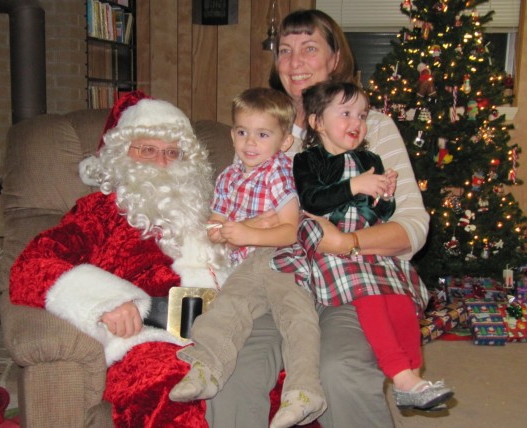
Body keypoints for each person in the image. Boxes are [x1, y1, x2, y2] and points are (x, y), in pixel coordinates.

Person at [204, 9, 433, 428]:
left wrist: (346, 242)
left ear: (334, 59)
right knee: (232, 371)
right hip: (278, 281)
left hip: (350, 280)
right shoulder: (259, 130)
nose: (294, 63)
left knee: (340, 371)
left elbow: (414, 227)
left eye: (310, 49)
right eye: (284, 51)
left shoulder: (369, 128)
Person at [8, 91, 233, 426]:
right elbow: (31, 266)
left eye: (173, 152)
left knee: (279, 384)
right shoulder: (99, 212)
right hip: (149, 340)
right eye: (148, 150)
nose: (162, 162)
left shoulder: (214, 212)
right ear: (120, 156)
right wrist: (108, 301)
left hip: (227, 330)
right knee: (174, 390)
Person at [273, 80, 454, 411]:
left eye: (361, 115)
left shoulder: (370, 157)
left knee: (402, 299)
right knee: (370, 298)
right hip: (329, 243)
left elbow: (383, 213)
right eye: (345, 114)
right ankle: (401, 375)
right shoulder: (308, 159)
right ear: (316, 121)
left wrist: (385, 195)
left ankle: (412, 378)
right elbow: (313, 198)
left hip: (367, 243)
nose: (356, 123)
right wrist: (355, 184)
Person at [169, 87, 327, 428]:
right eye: (242, 132)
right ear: (232, 134)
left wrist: (246, 233)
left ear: (284, 141)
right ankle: (207, 368)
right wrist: (231, 228)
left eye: (262, 134)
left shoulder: (280, 172)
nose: (250, 143)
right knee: (226, 309)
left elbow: (289, 230)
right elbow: (215, 226)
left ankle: (302, 391)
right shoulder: (228, 176)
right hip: (245, 266)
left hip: (283, 259)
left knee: (297, 319)